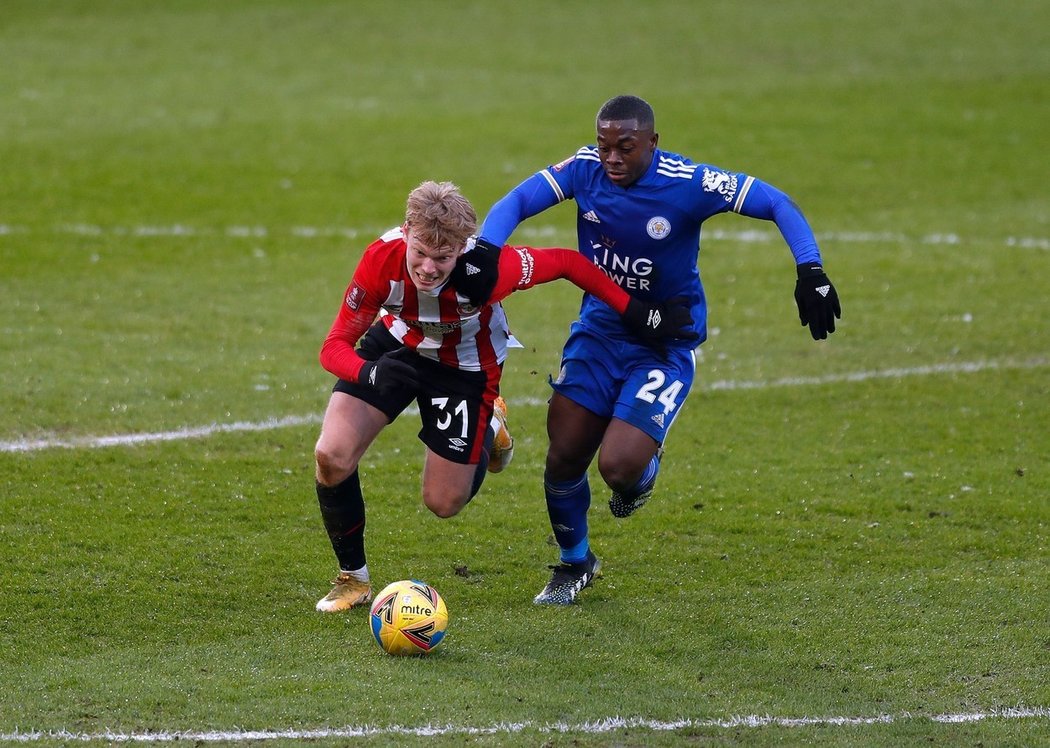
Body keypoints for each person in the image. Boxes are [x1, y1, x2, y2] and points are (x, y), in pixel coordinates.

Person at [473, 94, 841, 605]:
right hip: (601, 331)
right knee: (564, 455)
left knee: (618, 468)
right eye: (604, 146)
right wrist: (487, 250)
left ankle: (641, 475)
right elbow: (514, 202)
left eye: (625, 147)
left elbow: (776, 201)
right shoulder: (584, 169)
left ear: (652, 142)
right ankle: (575, 562)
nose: (612, 158)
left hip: (665, 343)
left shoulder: (688, 183)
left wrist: (811, 269)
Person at [312, 179, 694, 612]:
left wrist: (635, 311)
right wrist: (370, 372)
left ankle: (490, 425)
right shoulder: (382, 258)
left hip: (464, 369)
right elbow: (334, 346)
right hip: (397, 348)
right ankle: (353, 579)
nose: (428, 268)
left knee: (443, 502)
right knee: (332, 454)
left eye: (443, 258)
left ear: (462, 247)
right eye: (419, 252)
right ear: (407, 231)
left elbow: (569, 263)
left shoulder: (491, 269)